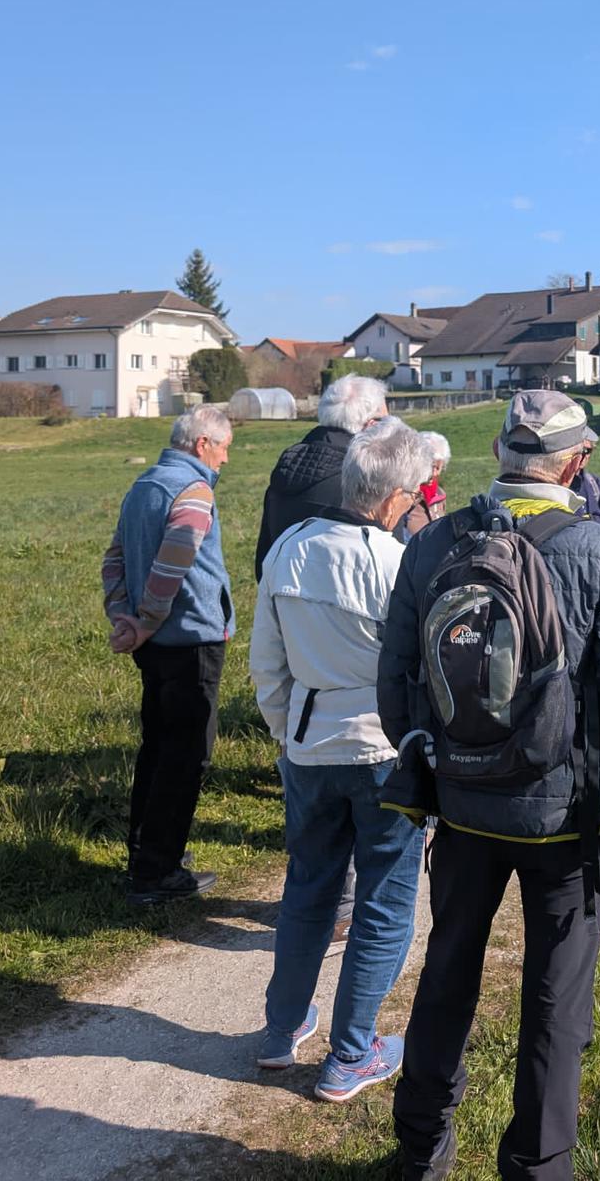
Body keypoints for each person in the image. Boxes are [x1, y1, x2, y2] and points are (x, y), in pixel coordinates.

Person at [379, 389, 600, 1181]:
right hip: (564, 816)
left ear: (500, 452)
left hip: (462, 806)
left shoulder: (431, 544)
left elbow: (396, 681)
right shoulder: (598, 551)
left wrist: (436, 764)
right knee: (554, 1001)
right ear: (577, 464)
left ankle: (420, 1150)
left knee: (446, 974)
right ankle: (539, 1166)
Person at [250, 419, 431, 1099]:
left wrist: (288, 734)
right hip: (383, 752)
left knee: (308, 889)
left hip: (310, 744)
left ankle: (281, 1029)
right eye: (412, 497)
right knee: (384, 901)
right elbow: (420, 673)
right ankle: (352, 1052)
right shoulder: (397, 562)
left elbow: (267, 663)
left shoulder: (288, 548)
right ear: (393, 499)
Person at [254, 371, 389, 948]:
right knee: (349, 792)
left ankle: (311, 902)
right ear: (367, 422)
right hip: (345, 647)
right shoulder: (353, 476)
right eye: (382, 418)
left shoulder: (289, 462)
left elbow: (264, 552)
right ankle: (340, 909)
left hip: (287, 624)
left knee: (306, 792)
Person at [102, 404, 235, 905]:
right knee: (186, 757)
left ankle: (147, 855)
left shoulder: (144, 485)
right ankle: (157, 873)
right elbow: (172, 565)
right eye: (223, 448)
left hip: (152, 644)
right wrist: (146, 619)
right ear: (202, 444)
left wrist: (124, 617)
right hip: (189, 642)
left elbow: (114, 558)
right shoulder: (194, 491)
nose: (225, 459)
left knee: (157, 749)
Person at [254, 373, 390, 578]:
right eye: (385, 421)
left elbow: (265, 558)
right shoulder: (359, 481)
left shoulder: (288, 466)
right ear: (371, 426)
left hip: (280, 590)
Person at [399, 430, 451, 541]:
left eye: (438, 468)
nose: (434, 473)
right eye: (430, 467)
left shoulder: (440, 494)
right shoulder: (404, 496)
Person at [569, 432, 600, 531]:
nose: (583, 455)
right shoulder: (556, 486)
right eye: (580, 451)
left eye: (588, 451)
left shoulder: (594, 483)